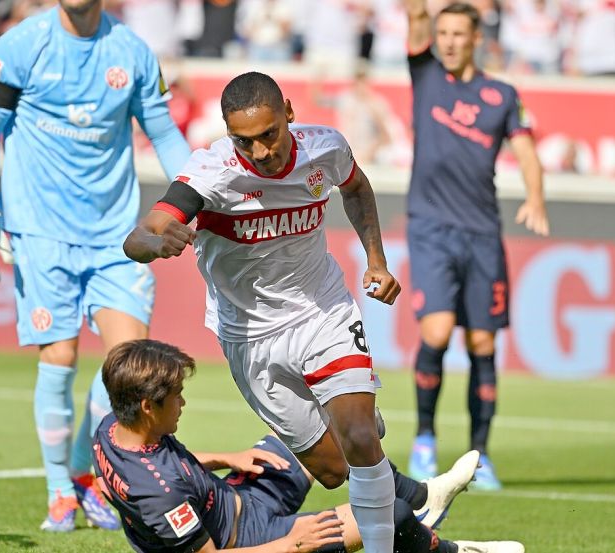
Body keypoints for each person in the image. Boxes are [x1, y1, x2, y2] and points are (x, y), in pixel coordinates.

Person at [123, 71, 402, 552]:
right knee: (335, 471)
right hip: (250, 336)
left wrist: (376, 259)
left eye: (269, 135)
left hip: (322, 311)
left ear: (289, 113)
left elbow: (356, 188)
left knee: (358, 436)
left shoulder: (325, 148)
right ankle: (356, 426)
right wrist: (156, 240)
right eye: (244, 141)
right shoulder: (211, 175)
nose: (260, 152)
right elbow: (140, 235)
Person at [0, 0, 191, 532]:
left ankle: (88, 476)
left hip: (116, 235)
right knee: (60, 356)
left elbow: (163, 133)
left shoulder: (132, 51)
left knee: (127, 362)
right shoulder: (22, 45)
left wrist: (201, 197)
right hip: (40, 231)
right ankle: (58, 492)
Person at [94, 338, 526, 553]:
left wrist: (224, 458)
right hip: (253, 539)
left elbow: (143, 475)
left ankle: (423, 496)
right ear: (149, 406)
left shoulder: (114, 426)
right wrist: (290, 544)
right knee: (386, 516)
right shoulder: (160, 492)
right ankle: (453, 550)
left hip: (238, 493)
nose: (183, 402)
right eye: (176, 397)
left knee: (319, 429)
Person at [403, 0, 550, 490]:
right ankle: (424, 438)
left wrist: (535, 197)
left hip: (482, 234)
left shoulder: (502, 95)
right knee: (438, 331)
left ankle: (480, 454)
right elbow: (415, 23)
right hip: (430, 229)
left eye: (457, 34)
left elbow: (526, 150)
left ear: (475, 39)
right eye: (442, 32)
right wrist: (417, 14)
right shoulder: (424, 75)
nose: (447, 41)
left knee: (483, 343)